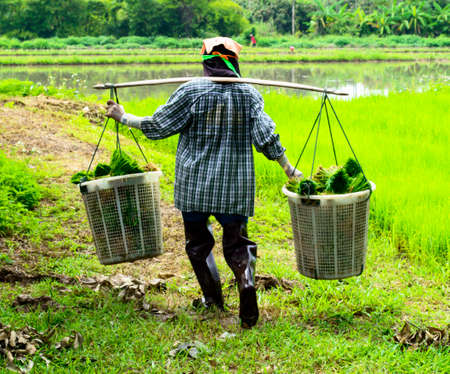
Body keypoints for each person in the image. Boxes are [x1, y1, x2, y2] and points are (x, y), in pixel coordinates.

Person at [106, 37, 302, 328]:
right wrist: (289, 168)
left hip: (194, 185)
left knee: (198, 243)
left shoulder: (190, 91)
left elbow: (159, 125)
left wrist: (124, 116)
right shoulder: (249, 95)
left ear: (206, 63)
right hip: (234, 186)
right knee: (238, 245)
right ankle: (246, 287)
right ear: (235, 63)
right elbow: (266, 137)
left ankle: (213, 300)